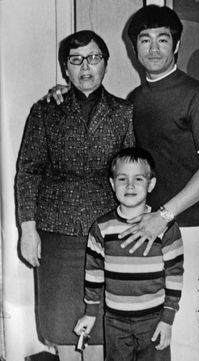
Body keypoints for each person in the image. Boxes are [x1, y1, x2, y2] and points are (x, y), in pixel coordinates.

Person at [45, 5, 199, 360]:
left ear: (176, 45)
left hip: (182, 225)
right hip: (138, 226)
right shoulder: (134, 101)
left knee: (176, 333)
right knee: (134, 333)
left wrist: (165, 215)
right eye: (145, 40)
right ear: (133, 48)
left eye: (162, 39)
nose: (153, 48)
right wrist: (63, 94)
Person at [16, 30, 134, 361]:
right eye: (76, 59)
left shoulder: (124, 112)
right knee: (61, 324)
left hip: (106, 232)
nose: (86, 67)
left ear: (106, 64)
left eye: (94, 58)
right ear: (65, 68)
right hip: (56, 233)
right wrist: (28, 230)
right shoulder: (45, 110)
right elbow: (28, 172)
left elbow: (130, 176)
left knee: (99, 327)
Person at [74, 147, 184, 361]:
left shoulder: (166, 227)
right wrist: (90, 312)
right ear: (113, 184)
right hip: (114, 321)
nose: (130, 185)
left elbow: (175, 275)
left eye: (139, 179)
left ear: (151, 184)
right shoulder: (101, 228)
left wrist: (167, 320)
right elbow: (93, 274)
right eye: (123, 179)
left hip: (154, 320)